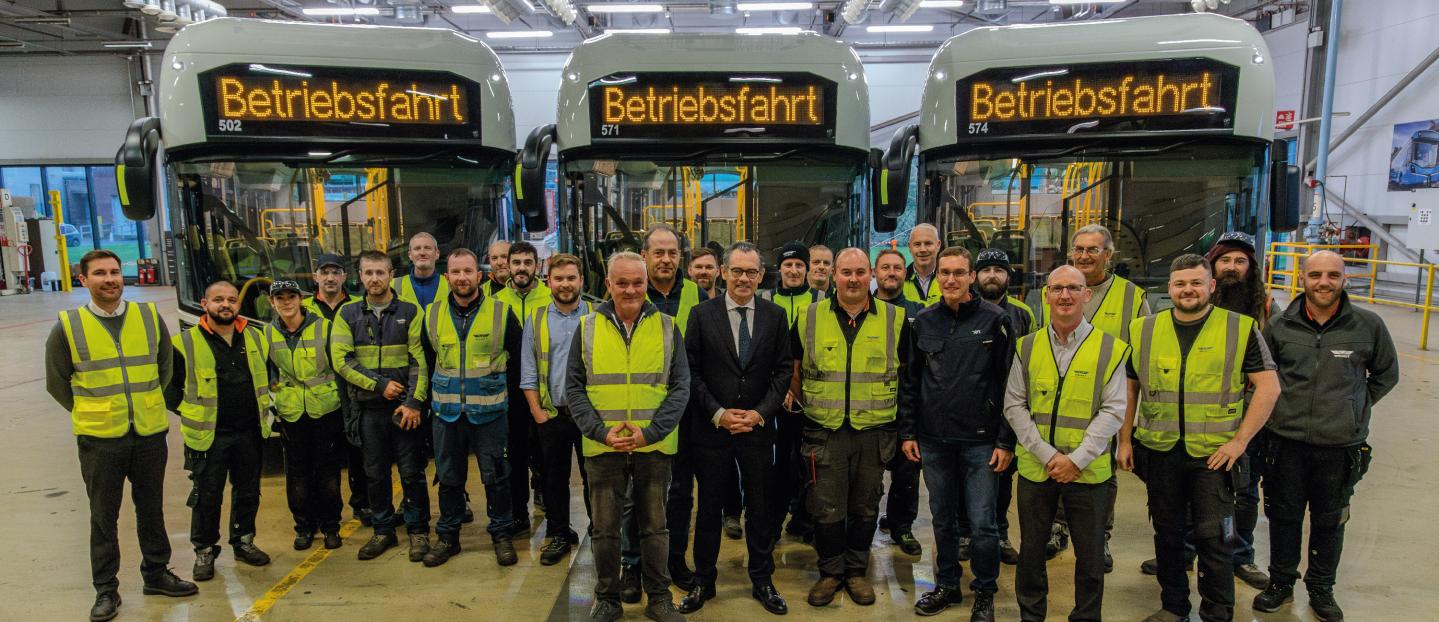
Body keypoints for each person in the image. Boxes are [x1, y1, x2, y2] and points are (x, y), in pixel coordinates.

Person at [1117, 254, 1280, 622]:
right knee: (1168, 535)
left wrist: (1239, 443)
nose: (1187, 290)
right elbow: (1130, 388)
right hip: (1160, 451)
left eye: (1195, 282)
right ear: (1169, 289)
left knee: (1215, 539)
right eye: (1179, 283)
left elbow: (1268, 388)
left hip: (1214, 456)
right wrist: (1125, 440)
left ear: (1210, 286)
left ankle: (1217, 612)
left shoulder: (1239, 328)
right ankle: (1174, 607)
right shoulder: (1144, 329)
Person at [46, 249, 196, 622]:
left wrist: (145, 404)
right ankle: (106, 591)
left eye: (114, 272)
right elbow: (57, 383)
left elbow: (164, 367)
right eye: (99, 273)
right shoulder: (68, 326)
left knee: (151, 510)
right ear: (84, 280)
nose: (109, 279)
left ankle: (156, 574)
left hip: (147, 433)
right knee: (103, 517)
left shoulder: (147, 317)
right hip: (100, 440)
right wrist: (91, 411)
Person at [1252, 250, 1398, 621]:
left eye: (1332, 275)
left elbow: (1385, 374)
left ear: (1344, 279)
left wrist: (1353, 407)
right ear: (1302, 278)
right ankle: (1281, 583)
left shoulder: (1368, 326)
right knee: (1283, 516)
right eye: (1315, 274)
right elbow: (1263, 376)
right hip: (1284, 442)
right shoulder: (1282, 326)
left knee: (1329, 520)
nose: (1324, 282)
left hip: (1339, 446)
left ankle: (1321, 588)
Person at [565, 251, 690, 622]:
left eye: (637, 282)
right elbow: (573, 388)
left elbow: (681, 387)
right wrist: (600, 432)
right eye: (622, 282)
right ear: (607, 285)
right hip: (603, 448)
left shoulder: (668, 327)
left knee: (655, 526)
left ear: (647, 282)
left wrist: (650, 432)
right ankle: (608, 598)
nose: (631, 289)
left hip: (653, 447)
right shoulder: (587, 327)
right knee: (604, 529)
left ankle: (659, 598)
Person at [1005, 265, 1129, 622]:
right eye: (1057, 288)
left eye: (1073, 288)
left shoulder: (1110, 349)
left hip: (1088, 474)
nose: (1064, 296)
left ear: (1086, 295)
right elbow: (1014, 404)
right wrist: (1047, 455)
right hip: (1036, 470)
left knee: (1089, 557)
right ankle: (1032, 614)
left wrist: (1076, 459)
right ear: (1046, 295)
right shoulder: (1026, 347)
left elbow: (1114, 410)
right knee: (1031, 552)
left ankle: (1086, 616)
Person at [790, 247, 912, 607]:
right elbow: (793, 370)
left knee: (865, 506)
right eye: (846, 273)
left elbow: (908, 377)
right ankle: (830, 573)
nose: (854, 279)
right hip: (824, 431)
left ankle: (856, 572)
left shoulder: (896, 319)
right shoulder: (807, 317)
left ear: (871, 274)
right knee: (826, 506)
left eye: (860, 272)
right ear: (833, 276)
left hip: (874, 434)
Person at [898, 247, 1015, 620]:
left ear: (971, 277)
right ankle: (947, 585)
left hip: (981, 443)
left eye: (959, 273)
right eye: (945, 272)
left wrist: (1005, 441)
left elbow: (1010, 386)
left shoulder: (996, 320)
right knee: (942, 518)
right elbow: (910, 382)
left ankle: (984, 591)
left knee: (983, 524)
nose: (950, 279)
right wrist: (908, 433)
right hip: (934, 441)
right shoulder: (922, 322)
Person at [677, 242, 793, 616]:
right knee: (709, 509)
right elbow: (690, 373)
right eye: (737, 271)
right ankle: (703, 581)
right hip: (712, 431)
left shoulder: (775, 317)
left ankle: (762, 579)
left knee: (760, 508)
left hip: (758, 430)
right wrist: (719, 413)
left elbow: (782, 372)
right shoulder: (701, 314)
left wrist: (759, 413)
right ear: (723, 272)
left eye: (752, 272)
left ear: (761, 276)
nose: (744, 278)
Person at [1036, 224, 1150, 565]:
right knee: (1056, 462)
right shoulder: (1055, 289)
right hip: (1059, 398)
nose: (1085, 256)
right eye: (1079, 249)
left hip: (1107, 403)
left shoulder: (1132, 297)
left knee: (1102, 470)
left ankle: (1099, 535)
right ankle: (1059, 528)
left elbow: (1142, 352)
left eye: (1093, 250)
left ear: (1108, 255)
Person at [420, 248, 523, 567]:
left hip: (491, 414)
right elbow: (427, 360)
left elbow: (518, 361)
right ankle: (448, 538)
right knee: (449, 478)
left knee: (497, 477)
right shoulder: (433, 314)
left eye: (468, 271)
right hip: (447, 414)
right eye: (455, 272)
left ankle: (502, 536)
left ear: (479, 276)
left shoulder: (501, 312)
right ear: (447, 276)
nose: (462, 277)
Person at [166, 280, 275, 581]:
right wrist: (190, 413)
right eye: (218, 300)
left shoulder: (256, 337)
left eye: (231, 300)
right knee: (207, 495)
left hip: (250, 432)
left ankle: (244, 541)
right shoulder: (184, 343)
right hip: (209, 436)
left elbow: (268, 375)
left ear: (239, 305)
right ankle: (204, 550)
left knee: (248, 491)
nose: (225, 305)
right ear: (205, 304)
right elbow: (169, 390)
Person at [331, 250, 431, 563]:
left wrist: (414, 401)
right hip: (369, 410)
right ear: (359, 276)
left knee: (412, 472)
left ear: (390, 275)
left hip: (405, 410)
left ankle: (418, 531)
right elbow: (341, 360)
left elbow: (420, 360)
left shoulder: (411, 312)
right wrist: (379, 384)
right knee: (374, 474)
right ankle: (383, 530)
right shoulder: (347, 314)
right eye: (368, 272)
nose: (375, 278)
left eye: (381, 272)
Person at [641, 224, 708, 593]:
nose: (665, 259)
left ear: (680, 257)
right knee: (641, 494)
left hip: (688, 413)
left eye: (672, 253)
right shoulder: (632, 290)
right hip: (641, 412)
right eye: (658, 252)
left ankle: (675, 560)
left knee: (681, 492)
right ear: (645, 256)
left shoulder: (698, 295)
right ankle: (637, 564)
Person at [521, 253, 594, 566]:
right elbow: (527, 372)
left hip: (591, 416)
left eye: (571, 278)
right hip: (553, 415)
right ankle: (559, 534)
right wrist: (538, 413)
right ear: (548, 281)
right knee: (554, 479)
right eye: (559, 278)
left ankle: (601, 533)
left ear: (581, 280)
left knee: (597, 479)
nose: (565, 284)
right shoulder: (536, 319)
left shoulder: (598, 313)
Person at [264, 280, 345, 552]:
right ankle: (303, 527)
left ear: (301, 299)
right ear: (271, 303)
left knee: (328, 473)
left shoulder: (323, 327)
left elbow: (339, 366)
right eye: (280, 298)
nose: (286, 302)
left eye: (291, 296)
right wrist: (276, 407)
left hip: (325, 409)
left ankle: (331, 526)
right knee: (297, 474)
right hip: (291, 414)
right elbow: (269, 378)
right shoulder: (267, 334)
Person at [964, 247, 1033, 566]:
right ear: (974, 276)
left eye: (999, 270)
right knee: (964, 478)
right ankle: (966, 534)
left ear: (1009, 276)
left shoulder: (1021, 314)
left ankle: (1001, 533)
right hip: (968, 409)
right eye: (986, 269)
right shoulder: (962, 308)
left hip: (1008, 413)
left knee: (1003, 478)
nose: (992, 275)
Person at [760, 240, 823, 543]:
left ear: (807, 269)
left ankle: (804, 520)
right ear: (779, 269)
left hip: (810, 397)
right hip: (772, 399)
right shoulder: (765, 299)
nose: (794, 270)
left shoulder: (822, 298)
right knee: (777, 464)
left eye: (800, 265)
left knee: (808, 462)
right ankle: (771, 521)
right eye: (788, 265)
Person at [303, 254, 369, 527]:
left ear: (345, 277)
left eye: (336, 272)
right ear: (315, 276)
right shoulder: (303, 307)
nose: (330, 278)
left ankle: (362, 504)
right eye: (324, 272)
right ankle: (325, 512)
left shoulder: (357, 305)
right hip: (319, 394)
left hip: (353, 389)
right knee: (323, 458)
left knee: (358, 451)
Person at [494, 241, 553, 530]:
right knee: (515, 455)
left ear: (537, 265)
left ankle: (551, 508)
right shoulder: (495, 302)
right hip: (510, 392)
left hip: (545, 390)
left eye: (527, 262)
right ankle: (518, 512)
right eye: (516, 262)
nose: (521, 268)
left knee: (547, 455)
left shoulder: (551, 298)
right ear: (508, 264)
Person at [872, 248, 925, 556]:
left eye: (897, 268)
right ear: (875, 273)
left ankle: (901, 526)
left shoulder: (919, 311)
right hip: (869, 408)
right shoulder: (862, 308)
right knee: (868, 474)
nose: (891, 273)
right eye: (885, 268)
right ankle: (863, 522)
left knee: (907, 472)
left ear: (905, 274)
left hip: (907, 407)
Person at [392, 232, 449, 309]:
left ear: (437, 254)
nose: (422, 253)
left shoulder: (451, 285)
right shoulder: (392, 285)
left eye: (427, 248)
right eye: (417, 248)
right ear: (410, 255)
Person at [902, 223, 943, 306]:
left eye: (928, 243)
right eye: (917, 244)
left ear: (938, 245)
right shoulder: (899, 280)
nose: (923, 249)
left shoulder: (949, 279)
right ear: (909, 247)